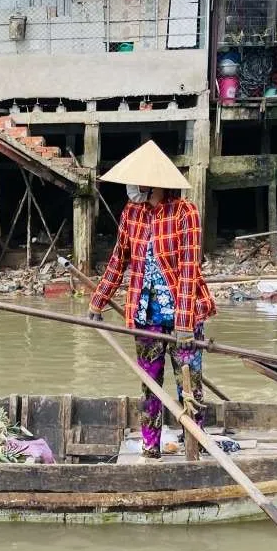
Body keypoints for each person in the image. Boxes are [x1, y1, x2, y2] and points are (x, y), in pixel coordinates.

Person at [88, 141, 216, 459]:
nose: (132, 187)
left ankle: (194, 448)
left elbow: (188, 272)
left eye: (138, 181)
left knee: (190, 387)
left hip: (182, 317)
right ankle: (150, 449)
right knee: (150, 386)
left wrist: (185, 327)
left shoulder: (186, 213)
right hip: (145, 315)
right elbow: (119, 260)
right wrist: (97, 302)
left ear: (153, 183)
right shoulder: (132, 213)